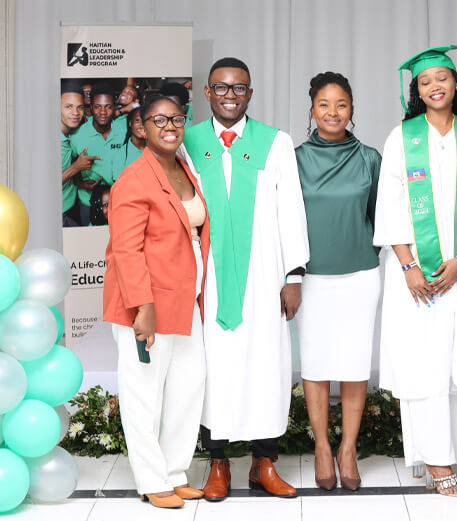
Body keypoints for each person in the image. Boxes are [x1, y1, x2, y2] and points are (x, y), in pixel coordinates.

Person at [179, 57, 309, 502]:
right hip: (208, 278)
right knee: (213, 366)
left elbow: (291, 209)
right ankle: (218, 462)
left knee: (265, 364)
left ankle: (263, 462)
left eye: (239, 89)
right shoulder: (188, 142)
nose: (230, 96)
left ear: (250, 94)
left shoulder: (275, 142)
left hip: (264, 276)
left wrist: (292, 276)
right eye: (221, 88)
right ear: (208, 93)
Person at [374, 45, 457, 497]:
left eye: (442, 78)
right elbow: (390, 202)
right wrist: (408, 266)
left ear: (456, 83)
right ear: (417, 91)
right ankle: (437, 463)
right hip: (413, 274)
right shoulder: (401, 137)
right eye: (425, 81)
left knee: (449, 362)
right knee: (421, 361)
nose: (435, 86)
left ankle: (434, 453)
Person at [102, 94, 209, 509]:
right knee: (144, 393)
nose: (170, 126)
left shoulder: (183, 167)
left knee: (188, 387)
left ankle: (174, 472)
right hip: (145, 306)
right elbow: (126, 251)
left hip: (185, 299)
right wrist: (142, 310)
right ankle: (151, 479)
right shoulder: (134, 179)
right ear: (141, 127)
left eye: (177, 118)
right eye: (158, 119)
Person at [294, 71, 382, 491]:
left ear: (352, 109)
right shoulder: (293, 159)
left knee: (353, 362)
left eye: (341, 104)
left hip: (361, 275)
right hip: (310, 278)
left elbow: (381, 220)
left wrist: (362, 250)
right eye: (324, 104)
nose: (333, 112)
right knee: (315, 363)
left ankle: (348, 447)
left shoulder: (369, 158)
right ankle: (322, 448)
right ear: (311, 110)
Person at [69, 82, 127, 225]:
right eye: (98, 107)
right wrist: (79, 183)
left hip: (120, 201)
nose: (102, 112)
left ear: (115, 107)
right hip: (87, 201)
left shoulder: (124, 130)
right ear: (91, 107)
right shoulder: (77, 135)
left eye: (108, 107)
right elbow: (70, 162)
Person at [60, 81, 98, 227]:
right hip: (59, 213)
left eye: (79, 107)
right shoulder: (48, 141)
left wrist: (79, 183)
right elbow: (45, 185)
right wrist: (77, 167)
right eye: (68, 106)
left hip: (73, 204)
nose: (75, 112)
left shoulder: (72, 133)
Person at [111, 107, 146, 181]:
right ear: (130, 123)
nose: (141, 125)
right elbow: (119, 184)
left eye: (145, 121)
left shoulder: (156, 150)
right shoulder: (121, 154)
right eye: (138, 120)